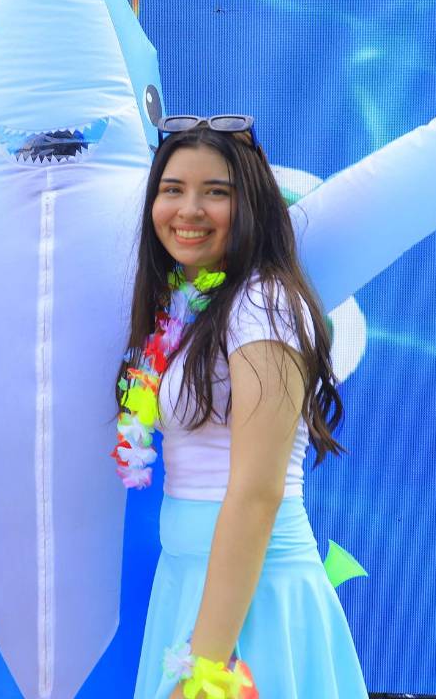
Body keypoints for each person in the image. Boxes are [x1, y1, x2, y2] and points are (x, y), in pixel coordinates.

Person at [116, 116, 369, 699]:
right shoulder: (191, 306)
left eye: (216, 192)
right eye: (172, 189)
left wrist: (204, 671)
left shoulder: (264, 304)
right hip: (191, 581)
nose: (189, 209)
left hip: (250, 594)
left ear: (251, 204)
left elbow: (257, 493)